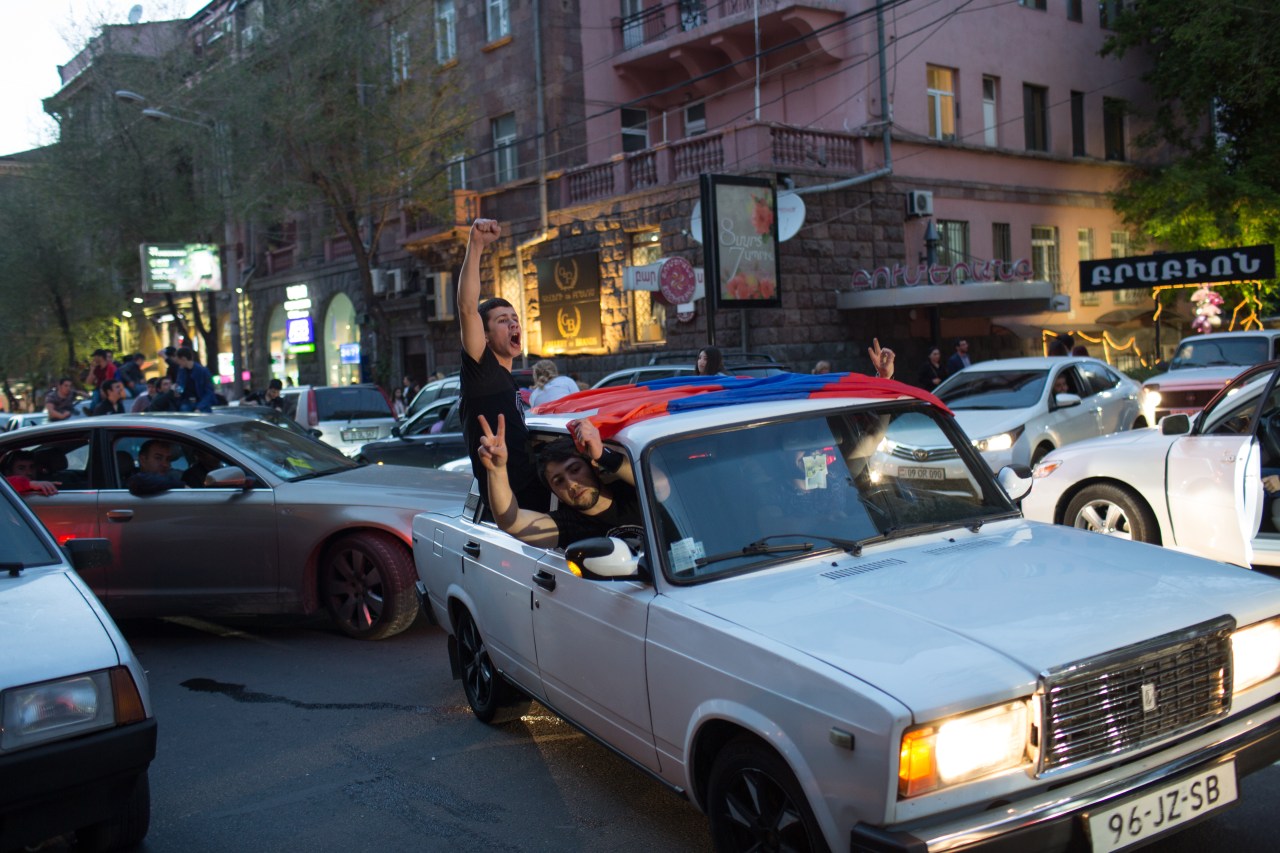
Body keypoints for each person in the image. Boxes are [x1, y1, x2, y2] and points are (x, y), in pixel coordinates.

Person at [458, 218, 550, 512]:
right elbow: (467, 307)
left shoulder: (506, 379)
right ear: (483, 336)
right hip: (512, 506)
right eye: (502, 320)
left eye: (514, 318)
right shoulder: (480, 372)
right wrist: (476, 245)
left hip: (531, 497)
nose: (513, 323)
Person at [477, 414, 642, 550]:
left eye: (575, 469)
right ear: (557, 495)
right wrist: (496, 471)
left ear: (595, 468)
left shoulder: (632, 490)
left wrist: (603, 455)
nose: (571, 484)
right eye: (558, 481)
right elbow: (511, 522)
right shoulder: (568, 525)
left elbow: (661, 486)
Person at [173, 346, 216, 413]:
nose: (179, 364)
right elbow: (180, 385)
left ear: (183, 359)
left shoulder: (202, 371)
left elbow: (209, 392)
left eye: (179, 361)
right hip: (187, 403)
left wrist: (200, 407)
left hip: (201, 403)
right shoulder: (182, 371)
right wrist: (177, 391)